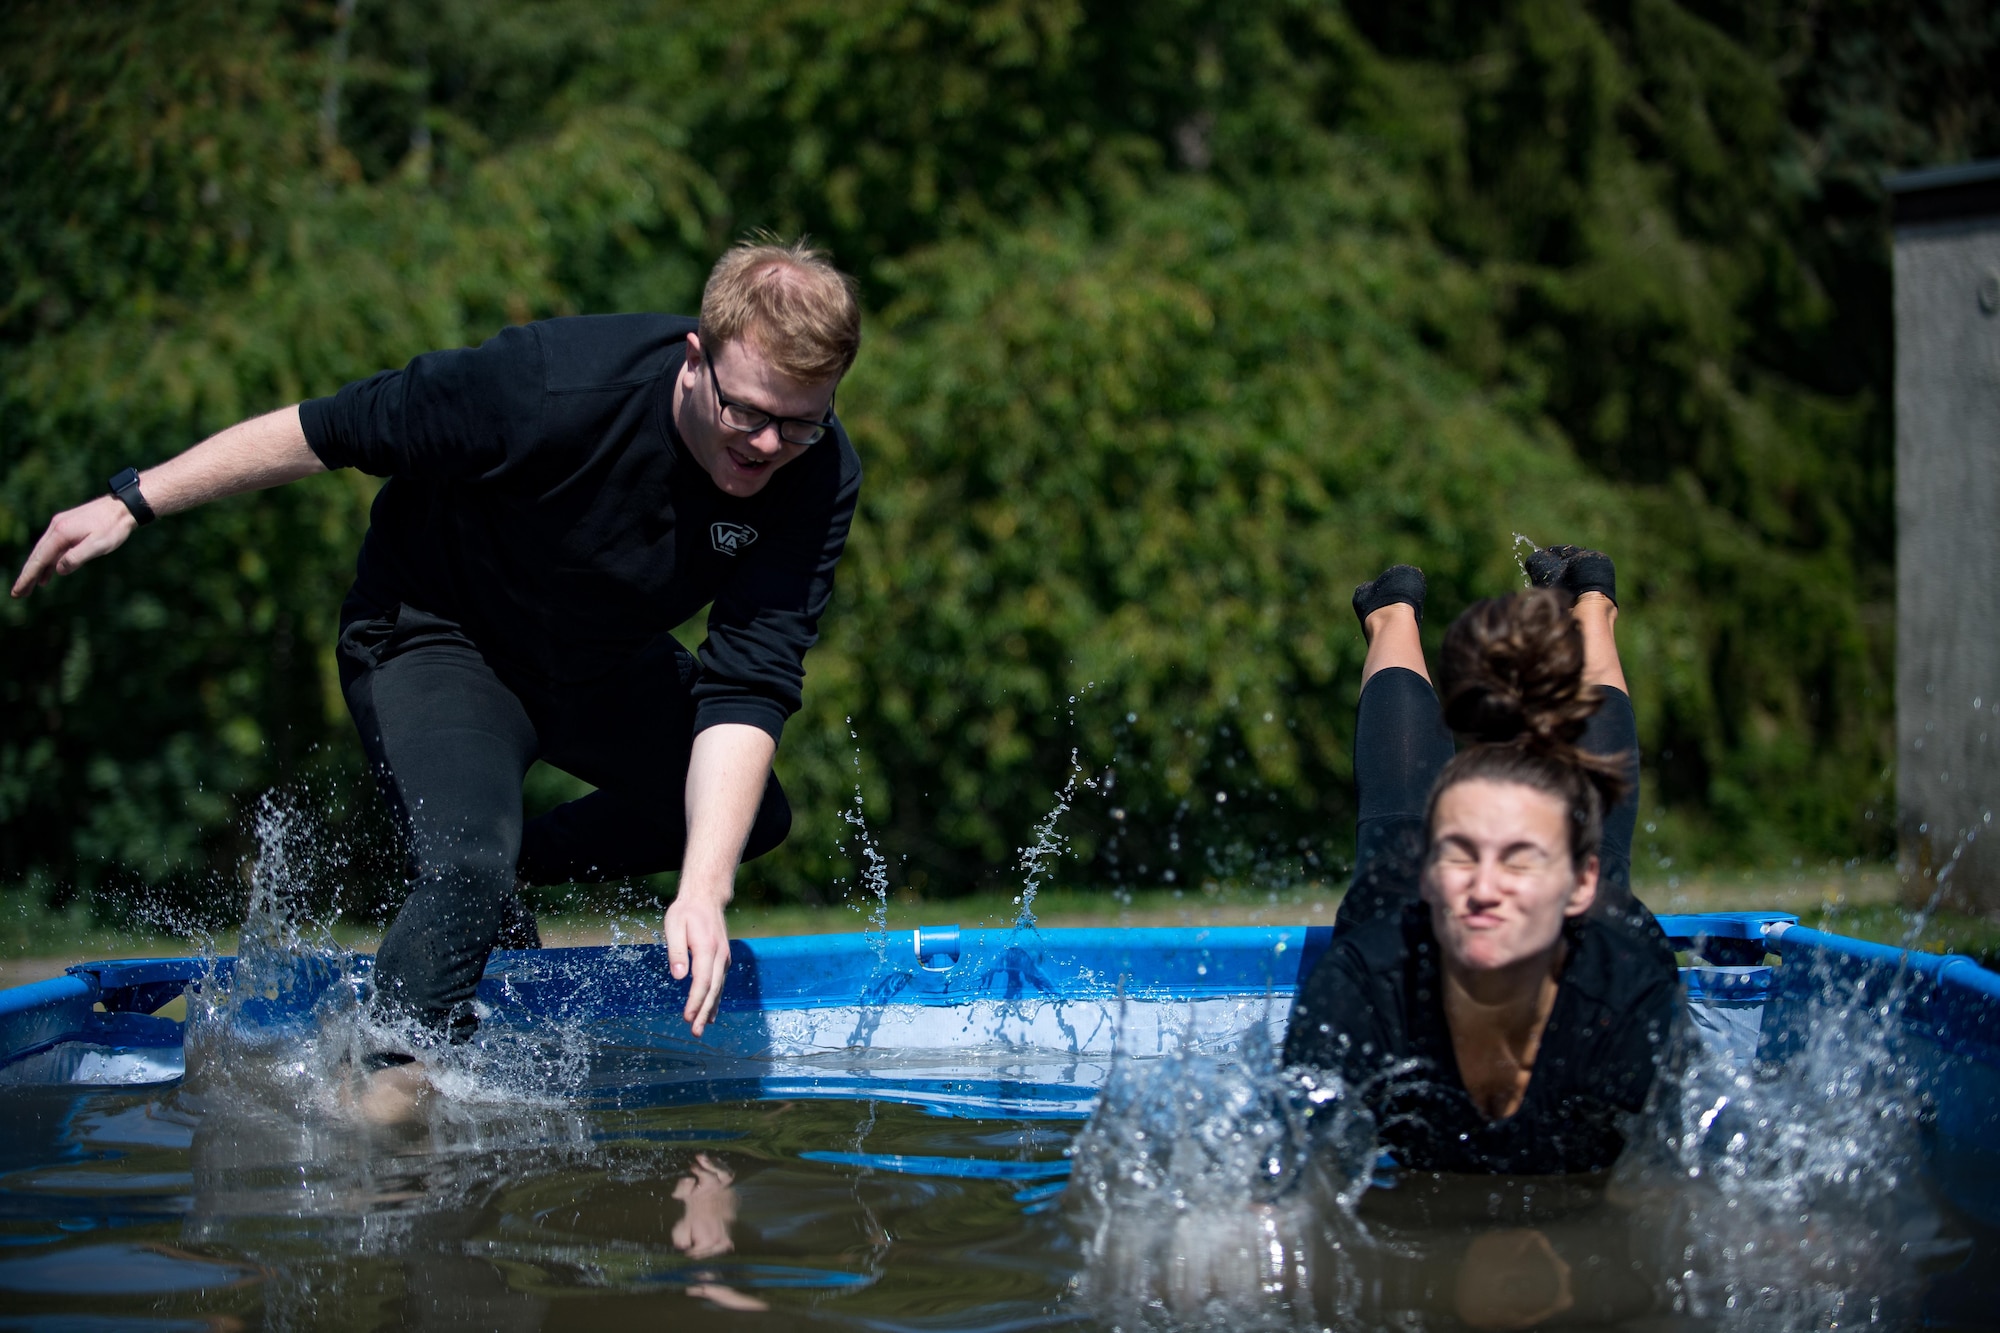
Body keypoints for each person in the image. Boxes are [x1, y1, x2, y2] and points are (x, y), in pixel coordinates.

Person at [11, 237, 863, 1071]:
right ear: (694, 358)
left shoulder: (816, 473)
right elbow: (326, 430)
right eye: (745, 412)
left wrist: (703, 888)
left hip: (594, 657)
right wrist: (133, 500)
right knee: (467, 872)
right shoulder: (544, 386)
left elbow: (751, 675)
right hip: (436, 635)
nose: (765, 446)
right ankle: (383, 1095)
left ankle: (500, 873)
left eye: (798, 424)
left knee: (745, 820)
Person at [1283, 548, 1682, 1175]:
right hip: (1406, 912)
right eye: (1461, 857)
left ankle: (1592, 613)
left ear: (1577, 887)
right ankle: (1394, 616)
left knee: (1592, 819)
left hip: (1590, 937)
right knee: (1401, 825)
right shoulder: (1362, 993)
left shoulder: (1627, 1003)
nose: (1486, 890)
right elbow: (1285, 1197)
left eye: (1518, 862)